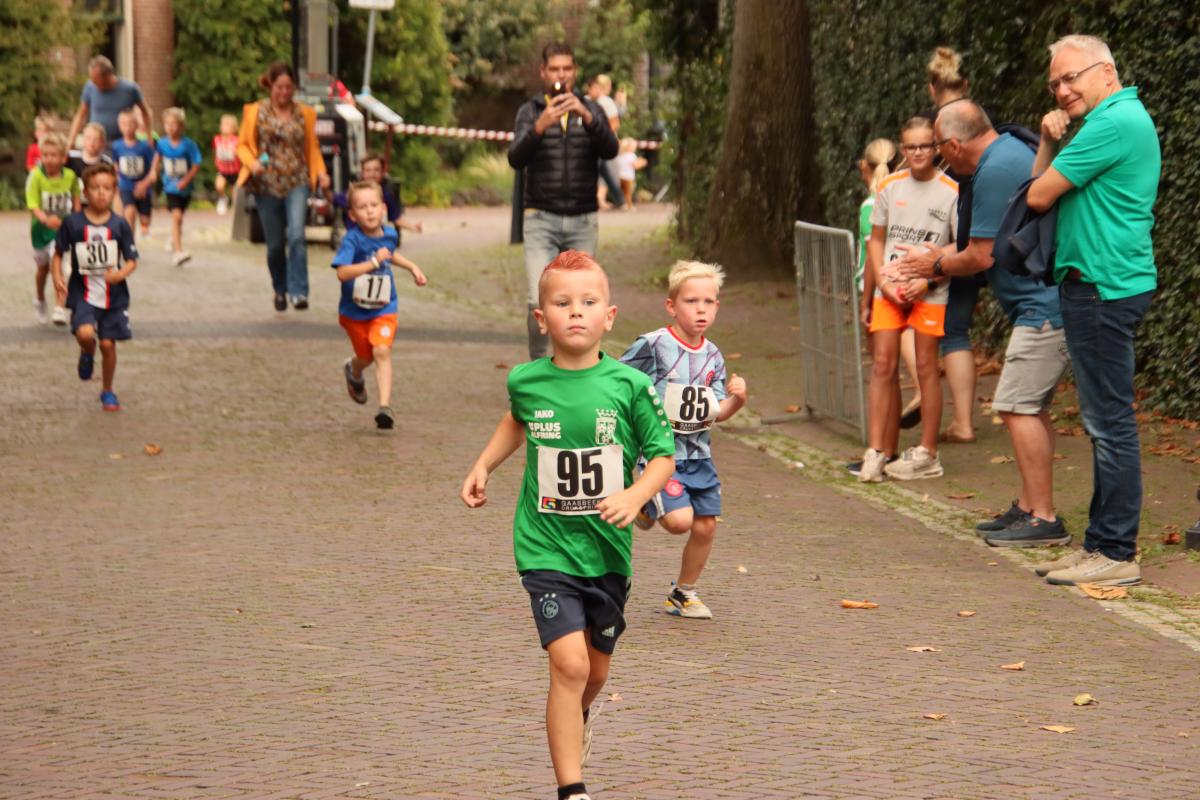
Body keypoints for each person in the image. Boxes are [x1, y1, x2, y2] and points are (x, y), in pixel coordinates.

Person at [460, 251, 675, 800]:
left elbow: (662, 456)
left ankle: (572, 719)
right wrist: (484, 464)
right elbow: (517, 420)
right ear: (541, 318)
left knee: (595, 674)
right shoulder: (527, 381)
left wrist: (636, 494)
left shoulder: (630, 385)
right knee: (570, 664)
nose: (576, 311)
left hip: (607, 553)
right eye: (562, 303)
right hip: (545, 547)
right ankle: (572, 789)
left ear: (610, 315)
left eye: (588, 301)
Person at [894, 101, 1071, 548]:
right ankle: (1029, 507)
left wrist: (932, 265)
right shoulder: (1007, 149)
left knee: (1015, 406)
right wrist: (936, 258)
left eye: (939, 147)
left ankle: (1044, 518)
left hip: (1042, 308)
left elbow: (981, 256)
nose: (938, 156)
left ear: (954, 145)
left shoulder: (993, 171)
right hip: (1041, 305)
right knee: (1030, 407)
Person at [1025, 35, 1161, 587]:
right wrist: (1047, 138)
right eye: (1054, 83)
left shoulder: (1112, 123)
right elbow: (1041, 189)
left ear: (1106, 72)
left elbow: (1038, 195)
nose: (1062, 91)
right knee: (1104, 423)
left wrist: (1049, 143)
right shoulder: (1111, 120)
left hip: (1103, 286)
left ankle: (1117, 552)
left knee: (1110, 425)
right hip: (1099, 284)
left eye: (1070, 77)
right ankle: (1099, 544)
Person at [620, 260, 747, 619]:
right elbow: (618, 379)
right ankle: (645, 498)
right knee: (679, 522)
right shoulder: (653, 344)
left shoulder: (714, 355)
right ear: (671, 306)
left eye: (708, 302)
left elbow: (716, 412)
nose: (700, 309)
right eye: (691, 301)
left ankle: (682, 593)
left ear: (717, 307)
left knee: (705, 526)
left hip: (699, 456)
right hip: (661, 454)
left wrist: (738, 400)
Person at [859, 117, 958, 483]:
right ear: (903, 150)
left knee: (927, 367)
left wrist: (928, 280)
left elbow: (961, 247)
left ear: (936, 148)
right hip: (890, 288)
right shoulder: (889, 186)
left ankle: (928, 452)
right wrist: (883, 283)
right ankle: (875, 451)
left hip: (930, 291)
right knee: (883, 365)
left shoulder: (952, 191)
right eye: (911, 147)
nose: (918, 152)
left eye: (925, 146)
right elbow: (876, 240)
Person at [508, 43, 619, 359]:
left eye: (567, 69)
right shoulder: (530, 111)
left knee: (583, 299)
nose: (561, 75)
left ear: (575, 71)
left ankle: (578, 366)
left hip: (583, 219)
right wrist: (539, 127)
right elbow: (515, 158)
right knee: (537, 300)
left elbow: (611, 150)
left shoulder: (590, 108)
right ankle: (539, 369)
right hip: (541, 218)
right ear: (543, 72)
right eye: (554, 69)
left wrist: (588, 117)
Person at [923, 46, 984, 443]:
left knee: (930, 330)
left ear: (932, 87)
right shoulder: (979, 121)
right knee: (957, 330)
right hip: (976, 232)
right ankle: (963, 421)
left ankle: (925, 398)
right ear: (966, 83)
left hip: (933, 243)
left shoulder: (934, 129)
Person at [332, 180, 428, 430]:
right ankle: (353, 370)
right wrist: (373, 263)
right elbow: (342, 273)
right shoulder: (351, 240)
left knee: (382, 351)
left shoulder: (390, 234)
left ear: (383, 208)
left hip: (384, 307)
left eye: (374, 205)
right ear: (352, 215)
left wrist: (412, 267)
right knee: (365, 356)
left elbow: (390, 254)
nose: (370, 211)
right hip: (354, 312)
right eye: (362, 207)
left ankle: (384, 407)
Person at [237, 61, 331, 312]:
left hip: (297, 181)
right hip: (265, 185)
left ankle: (299, 292)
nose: (284, 92)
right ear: (271, 86)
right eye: (279, 87)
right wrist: (252, 163)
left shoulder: (305, 113)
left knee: (297, 236)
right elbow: (242, 144)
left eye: (289, 87)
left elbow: (312, 148)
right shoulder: (255, 111)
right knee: (275, 245)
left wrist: (321, 173)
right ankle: (280, 288)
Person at [51, 163, 139, 412]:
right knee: (85, 334)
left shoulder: (120, 225)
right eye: (95, 188)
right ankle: (87, 352)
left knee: (108, 345)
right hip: (83, 293)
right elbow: (58, 253)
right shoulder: (73, 223)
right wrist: (57, 276)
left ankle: (107, 390)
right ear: (85, 192)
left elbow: (132, 260)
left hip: (114, 296)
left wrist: (119, 274)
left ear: (114, 192)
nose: (101, 193)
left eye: (107, 188)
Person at [848, 138, 904, 476]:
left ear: (864, 167)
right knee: (890, 371)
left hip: (880, 292)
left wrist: (865, 300)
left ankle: (880, 450)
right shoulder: (900, 197)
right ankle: (890, 448)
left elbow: (872, 258)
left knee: (882, 370)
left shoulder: (872, 205)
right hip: (899, 287)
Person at [26, 132, 80, 326]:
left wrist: (76, 221)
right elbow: (33, 204)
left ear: (63, 158)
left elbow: (76, 201)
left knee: (57, 262)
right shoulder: (36, 176)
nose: (49, 159)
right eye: (45, 155)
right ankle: (40, 298)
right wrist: (46, 219)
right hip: (41, 231)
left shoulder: (70, 176)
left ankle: (59, 306)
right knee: (42, 269)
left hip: (62, 229)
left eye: (53, 155)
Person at [67, 56, 153, 148]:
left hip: (122, 144)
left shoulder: (130, 89)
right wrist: (71, 140)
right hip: (96, 144)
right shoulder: (89, 87)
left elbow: (145, 112)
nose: (93, 82)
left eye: (96, 79)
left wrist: (149, 137)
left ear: (108, 75)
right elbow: (80, 115)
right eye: (91, 79)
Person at [152, 108, 202, 267]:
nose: (171, 128)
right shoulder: (162, 143)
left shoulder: (188, 144)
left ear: (181, 126)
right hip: (170, 187)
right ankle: (178, 252)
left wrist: (186, 180)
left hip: (185, 188)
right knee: (176, 216)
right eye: (168, 124)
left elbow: (196, 164)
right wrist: (153, 172)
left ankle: (173, 238)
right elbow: (157, 157)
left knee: (179, 219)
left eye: (174, 124)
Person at [332, 152, 423, 238]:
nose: (372, 174)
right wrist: (325, 188)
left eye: (376, 170)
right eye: (368, 170)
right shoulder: (354, 193)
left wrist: (412, 227)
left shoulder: (387, 195)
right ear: (362, 173)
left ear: (383, 172)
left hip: (376, 238)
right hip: (355, 239)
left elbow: (396, 218)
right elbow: (333, 199)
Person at [111, 109, 156, 241]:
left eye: (131, 124)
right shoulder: (117, 146)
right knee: (129, 212)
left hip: (142, 187)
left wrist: (145, 184)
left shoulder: (145, 147)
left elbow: (152, 169)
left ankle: (144, 228)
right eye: (124, 124)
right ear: (119, 126)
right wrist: (116, 181)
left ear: (137, 125)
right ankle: (129, 244)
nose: (128, 127)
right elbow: (115, 164)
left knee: (145, 220)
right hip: (126, 186)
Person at [585, 74, 623, 210]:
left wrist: (603, 134)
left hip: (605, 143)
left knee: (607, 173)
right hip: (590, 144)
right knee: (599, 172)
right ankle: (610, 199)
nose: (596, 91)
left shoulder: (606, 102)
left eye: (598, 88)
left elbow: (615, 124)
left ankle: (618, 199)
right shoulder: (584, 102)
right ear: (589, 89)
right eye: (593, 88)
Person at [67, 123, 115, 207]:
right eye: (88, 138)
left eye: (96, 139)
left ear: (103, 143)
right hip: (72, 204)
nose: (92, 142)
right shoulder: (71, 158)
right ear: (83, 140)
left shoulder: (106, 163)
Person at [212, 114, 242, 216]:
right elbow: (215, 151)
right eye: (223, 125)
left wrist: (234, 152)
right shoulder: (217, 139)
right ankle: (223, 198)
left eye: (228, 125)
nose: (224, 127)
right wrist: (216, 161)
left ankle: (235, 209)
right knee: (219, 186)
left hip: (235, 170)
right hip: (223, 170)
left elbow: (241, 153)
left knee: (235, 193)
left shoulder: (237, 140)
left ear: (234, 128)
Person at [615, 137, 647, 211]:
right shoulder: (631, 155)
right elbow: (635, 165)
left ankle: (622, 204)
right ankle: (629, 206)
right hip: (628, 177)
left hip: (619, 176)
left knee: (621, 192)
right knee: (628, 193)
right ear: (630, 147)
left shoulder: (620, 155)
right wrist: (642, 163)